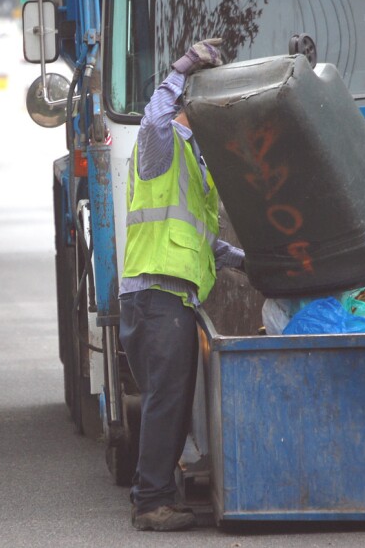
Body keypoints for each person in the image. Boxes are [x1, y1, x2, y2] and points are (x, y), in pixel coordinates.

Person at [120, 38, 245, 532]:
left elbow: (201, 237)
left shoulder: (194, 163)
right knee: (166, 400)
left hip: (169, 296)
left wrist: (244, 263)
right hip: (156, 292)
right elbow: (152, 118)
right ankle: (151, 503)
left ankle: (154, 494)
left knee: (167, 400)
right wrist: (181, 69)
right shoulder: (163, 140)